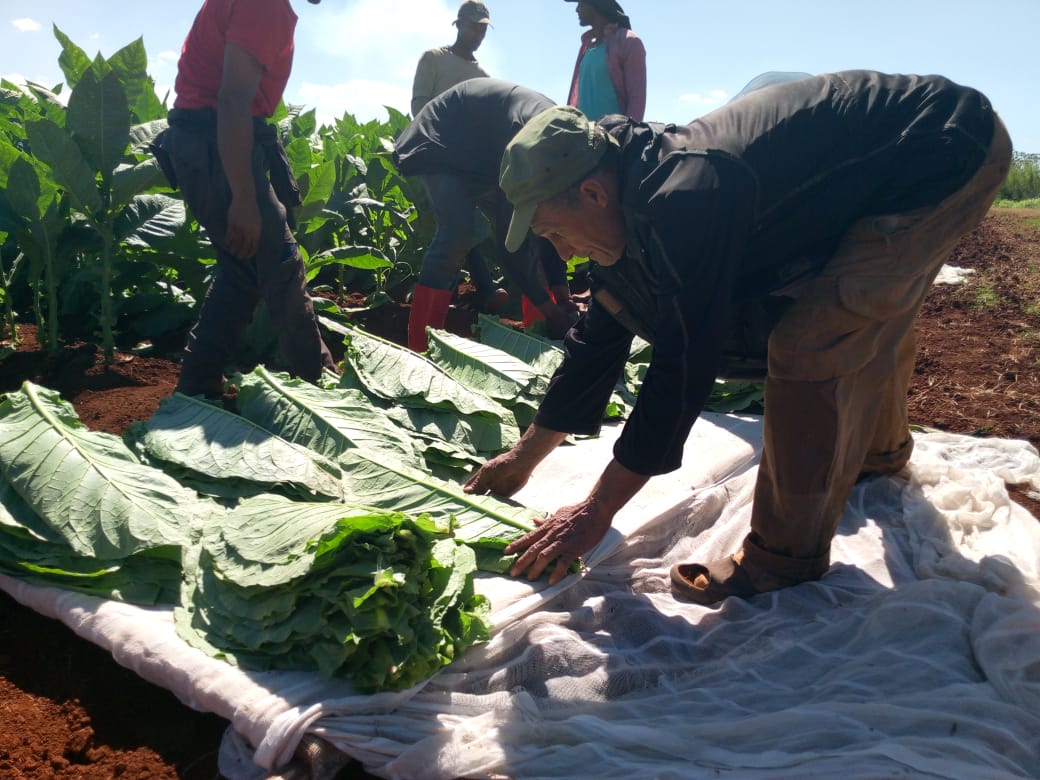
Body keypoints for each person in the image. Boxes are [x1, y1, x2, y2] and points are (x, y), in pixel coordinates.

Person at [463, 71, 1011, 605]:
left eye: (555, 233)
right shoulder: (622, 191)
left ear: (591, 193)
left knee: (812, 341)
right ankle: (882, 452)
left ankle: (781, 560)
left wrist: (597, 509)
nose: (563, 252)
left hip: (939, 150)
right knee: (862, 316)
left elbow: (682, 366)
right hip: (888, 159)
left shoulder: (685, 198)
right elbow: (598, 339)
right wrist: (523, 458)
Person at [153, 0, 335, 399]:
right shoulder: (265, 5)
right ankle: (324, 388)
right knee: (282, 266)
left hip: (210, 144)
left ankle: (198, 385)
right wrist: (244, 198)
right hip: (216, 144)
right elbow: (233, 101)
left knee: (241, 271)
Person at [393, 78, 577, 352]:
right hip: (443, 138)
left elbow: (548, 226)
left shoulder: (565, 153)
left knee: (539, 224)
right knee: (458, 232)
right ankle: (421, 344)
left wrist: (562, 294)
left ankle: (540, 330)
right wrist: (553, 311)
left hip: (482, 153)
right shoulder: (529, 151)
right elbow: (510, 242)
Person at [409, 1, 508, 318]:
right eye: (473, 26)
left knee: (467, 227)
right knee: (458, 227)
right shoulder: (434, 59)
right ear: (458, 24)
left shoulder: (482, 76)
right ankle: (424, 318)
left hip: (468, 165)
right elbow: (419, 107)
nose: (478, 33)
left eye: (483, 28)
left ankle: (469, 295)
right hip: (437, 158)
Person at [564, 0, 646, 121]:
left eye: (581, 4)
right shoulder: (586, 46)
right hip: (585, 135)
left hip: (614, 136)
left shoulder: (629, 41)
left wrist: (629, 135)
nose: (577, 10)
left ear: (595, 4)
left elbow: (636, 97)